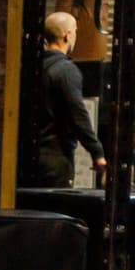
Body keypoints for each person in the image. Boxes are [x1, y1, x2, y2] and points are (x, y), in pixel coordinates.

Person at [29, 10, 107, 188]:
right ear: (67, 35)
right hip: (56, 162)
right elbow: (78, 115)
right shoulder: (66, 71)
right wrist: (97, 153)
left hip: (28, 160)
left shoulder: (31, 69)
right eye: (76, 31)